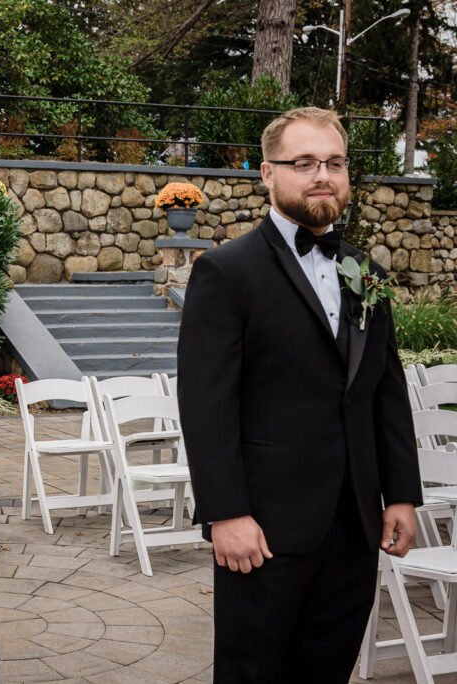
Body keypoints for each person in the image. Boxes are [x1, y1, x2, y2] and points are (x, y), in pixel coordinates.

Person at [177, 106, 422, 682]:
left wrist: (401, 494)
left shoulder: (367, 270)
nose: (322, 176)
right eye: (304, 162)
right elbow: (206, 404)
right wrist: (226, 513)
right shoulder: (225, 271)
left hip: (354, 523)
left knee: (327, 669)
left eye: (334, 163)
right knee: (253, 671)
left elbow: (385, 390)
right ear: (268, 173)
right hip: (264, 526)